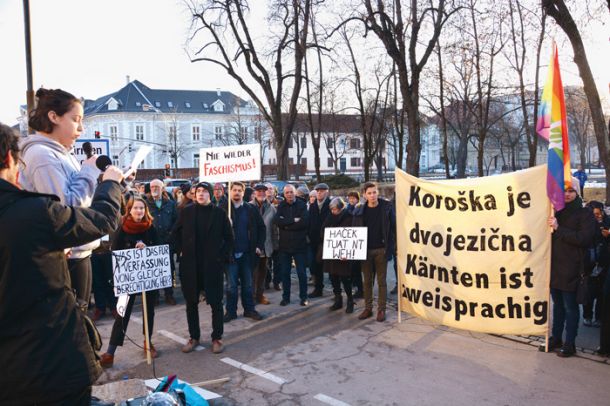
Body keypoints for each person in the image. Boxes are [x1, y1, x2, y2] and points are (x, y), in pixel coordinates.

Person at [0, 123, 123, 405]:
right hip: (49, 366)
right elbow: (101, 219)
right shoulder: (32, 212)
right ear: (9, 159)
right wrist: (110, 184)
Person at [19, 88, 100, 312]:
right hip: (65, 259)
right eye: (75, 120)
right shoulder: (42, 155)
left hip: (77, 253)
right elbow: (67, 210)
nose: (81, 128)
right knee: (73, 324)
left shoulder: (60, 153)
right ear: (54, 117)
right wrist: (89, 172)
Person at [172, 182, 234, 354]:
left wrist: (220, 257)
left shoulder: (219, 213)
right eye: (197, 191)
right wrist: (181, 250)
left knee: (216, 303)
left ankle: (217, 338)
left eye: (204, 191)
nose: (200, 194)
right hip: (191, 266)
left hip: (212, 266)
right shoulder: (187, 212)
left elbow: (229, 239)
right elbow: (174, 233)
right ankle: (194, 337)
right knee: (191, 303)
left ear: (211, 194)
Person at [99, 196, 161, 368]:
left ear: (145, 210)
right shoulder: (122, 229)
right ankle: (110, 351)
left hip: (148, 277)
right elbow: (116, 252)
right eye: (135, 208)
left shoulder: (151, 228)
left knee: (149, 311)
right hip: (128, 279)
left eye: (141, 208)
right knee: (122, 312)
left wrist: (146, 249)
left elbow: (158, 249)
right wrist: (131, 250)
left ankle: (148, 342)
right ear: (129, 210)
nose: (139, 211)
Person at [544, 178, 596, 357]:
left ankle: (570, 343)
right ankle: (556, 337)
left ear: (577, 192)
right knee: (557, 307)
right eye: (564, 190)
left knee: (570, 308)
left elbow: (584, 239)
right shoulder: (555, 211)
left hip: (572, 269)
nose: (566, 194)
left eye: (570, 191)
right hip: (554, 268)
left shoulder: (584, 214)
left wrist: (559, 229)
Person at [352, 182, 396, 322]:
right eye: (369, 193)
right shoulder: (359, 210)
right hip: (365, 250)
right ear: (364, 195)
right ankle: (368, 308)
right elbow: (353, 232)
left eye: (374, 192)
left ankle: (381, 310)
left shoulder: (387, 207)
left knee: (382, 281)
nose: (372, 195)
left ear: (378, 192)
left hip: (381, 250)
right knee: (367, 281)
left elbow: (394, 228)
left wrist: (393, 247)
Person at [224, 181, 264, 322]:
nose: (236, 192)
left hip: (247, 253)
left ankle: (249, 310)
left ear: (243, 192)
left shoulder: (251, 209)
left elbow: (261, 228)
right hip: (230, 255)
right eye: (234, 190)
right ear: (229, 191)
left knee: (248, 284)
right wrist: (225, 224)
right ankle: (231, 312)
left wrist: (259, 245)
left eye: (239, 190)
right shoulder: (224, 209)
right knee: (231, 286)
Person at [275, 184, 310, 306]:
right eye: (287, 193)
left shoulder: (301, 205)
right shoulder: (281, 205)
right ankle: (286, 297)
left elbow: (304, 223)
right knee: (285, 273)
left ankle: (304, 297)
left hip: (299, 246)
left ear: (295, 192)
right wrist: (292, 220)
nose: (289, 194)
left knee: (301, 273)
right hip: (284, 246)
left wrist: (286, 224)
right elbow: (278, 221)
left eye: (291, 192)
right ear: (284, 194)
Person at [146, 179, 178, 305]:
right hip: (151, 242)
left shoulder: (170, 203)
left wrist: (171, 234)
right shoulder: (145, 203)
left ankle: (169, 294)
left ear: (162, 188)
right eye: (152, 187)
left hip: (166, 242)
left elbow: (176, 221)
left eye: (157, 187)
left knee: (168, 269)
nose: (154, 189)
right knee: (153, 270)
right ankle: (155, 296)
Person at [321, 198, 355, 313]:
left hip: (344, 254)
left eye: (335, 209)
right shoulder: (330, 216)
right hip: (332, 252)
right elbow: (323, 230)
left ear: (340, 208)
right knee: (333, 277)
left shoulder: (349, 217)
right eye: (331, 209)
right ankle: (338, 299)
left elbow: (353, 235)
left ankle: (350, 301)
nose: (333, 211)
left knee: (345, 279)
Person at [583, 201, 610, 327]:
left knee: (602, 293)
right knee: (589, 292)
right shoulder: (586, 223)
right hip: (590, 262)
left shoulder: (607, 221)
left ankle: (599, 317)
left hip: (604, 262)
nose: (599, 216)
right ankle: (587, 315)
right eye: (595, 214)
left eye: (600, 213)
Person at [252, 183, 278, 305]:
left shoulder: (271, 208)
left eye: (263, 191)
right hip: (252, 246)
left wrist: (274, 245)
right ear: (254, 193)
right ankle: (250, 296)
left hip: (266, 245)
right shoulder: (248, 206)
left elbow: (274, 229)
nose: (261, 193)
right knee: (252, 273)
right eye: (259, 191)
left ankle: (259, 295)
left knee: (262, 272)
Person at [308, 183, 331, 298]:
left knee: (332, 267)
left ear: (327, 191)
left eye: (322, 191)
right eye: (317, 191)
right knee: (316, 266)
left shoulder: (331, 205)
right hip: (314, 241)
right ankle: (318, 289)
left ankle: (337, 292)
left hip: (329, 240)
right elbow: (310, 222)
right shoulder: (312, 206)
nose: (319, 192)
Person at [346, 191, 364, 298]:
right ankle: (357, 286)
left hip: (358, 241)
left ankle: (361, 289)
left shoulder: (360, 208)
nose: (351, 200)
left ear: (357, 199)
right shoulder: (347, 209)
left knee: (358, 267)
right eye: (350, 198)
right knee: (353, 267)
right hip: (350, 241)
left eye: (353, 198)